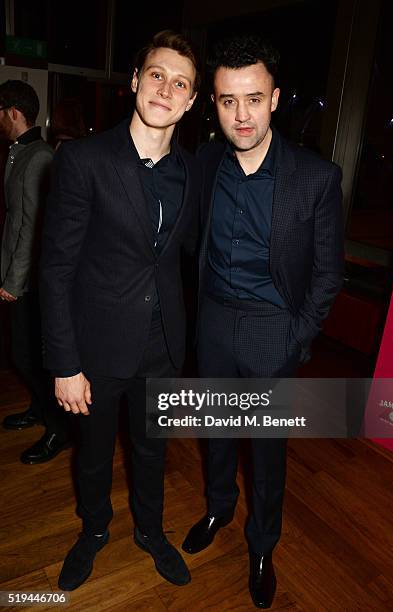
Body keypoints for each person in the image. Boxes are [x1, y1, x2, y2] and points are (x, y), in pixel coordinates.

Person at [182, 34, 344, 609]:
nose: (241, 115)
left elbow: (328, 274)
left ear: (275, 98)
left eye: (253, 99)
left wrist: (295, 338)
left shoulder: (315, 178)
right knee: (217, 431)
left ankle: (262, 545)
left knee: (267, 450)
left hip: (273, 327)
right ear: (215, 104)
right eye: (228, 101)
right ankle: (219, 508)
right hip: (214, 322)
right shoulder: (204, 163)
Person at [40, 30, 200, 591]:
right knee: (92, 457)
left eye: (180, 82)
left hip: (162, 348)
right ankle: (95, 531)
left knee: (153, 453)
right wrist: (64, 363)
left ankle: (151, 531)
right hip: (97, 350)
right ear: (135, 81)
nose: (166, 88)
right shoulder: (83, 160)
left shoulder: (193, 173)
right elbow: (56, 269)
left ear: (190, 101)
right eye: (156, 74)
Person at [0, 79, 71, 464]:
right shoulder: (17, 152)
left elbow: (33, 227)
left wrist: (14, 281)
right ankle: (39, 410)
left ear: (13, 111)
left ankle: (59, 430)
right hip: (17, 274)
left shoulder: (40, 155)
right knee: (23, 354)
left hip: (30, 281)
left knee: (29, 357)